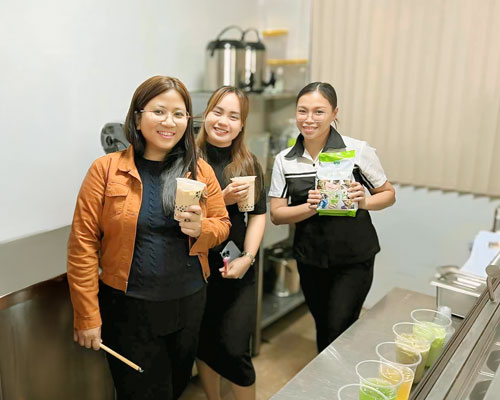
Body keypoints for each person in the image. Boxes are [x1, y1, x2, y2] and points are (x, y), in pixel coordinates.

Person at [67, 76, 230, 400]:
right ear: (138, 116)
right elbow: (82, 246)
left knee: (176, 387)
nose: (169, 122)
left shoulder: (198, 171)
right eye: (159, 111)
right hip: (129, 309)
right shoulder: (106, 170)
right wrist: (87, 315)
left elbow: (222, 224)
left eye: (179, 113)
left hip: (189, 302)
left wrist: (202, 229)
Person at [269, 82, 396, 353]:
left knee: (340, 328)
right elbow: (277, 215)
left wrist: (364, 201)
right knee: (324, 325)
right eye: (302, 111)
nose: (309, 119)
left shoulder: (358, 151)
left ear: (334, 113)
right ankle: (327, 383)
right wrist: (309, 207)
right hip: (310, 258)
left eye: (319, 111)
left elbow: (388, 194)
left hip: (353, 258)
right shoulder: (285, 160)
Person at [195, 86, 266, 400]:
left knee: (236, 350)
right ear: (206, 115)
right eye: (218, 112)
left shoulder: (247, 165)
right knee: (204, 343)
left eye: (233, 116)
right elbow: (182, 217)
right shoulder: (186, 161)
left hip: (236, 267)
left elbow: (259, 216)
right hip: (195, 270)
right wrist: (221, 199)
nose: (224, 121)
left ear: (241, 126)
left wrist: (248, 257)